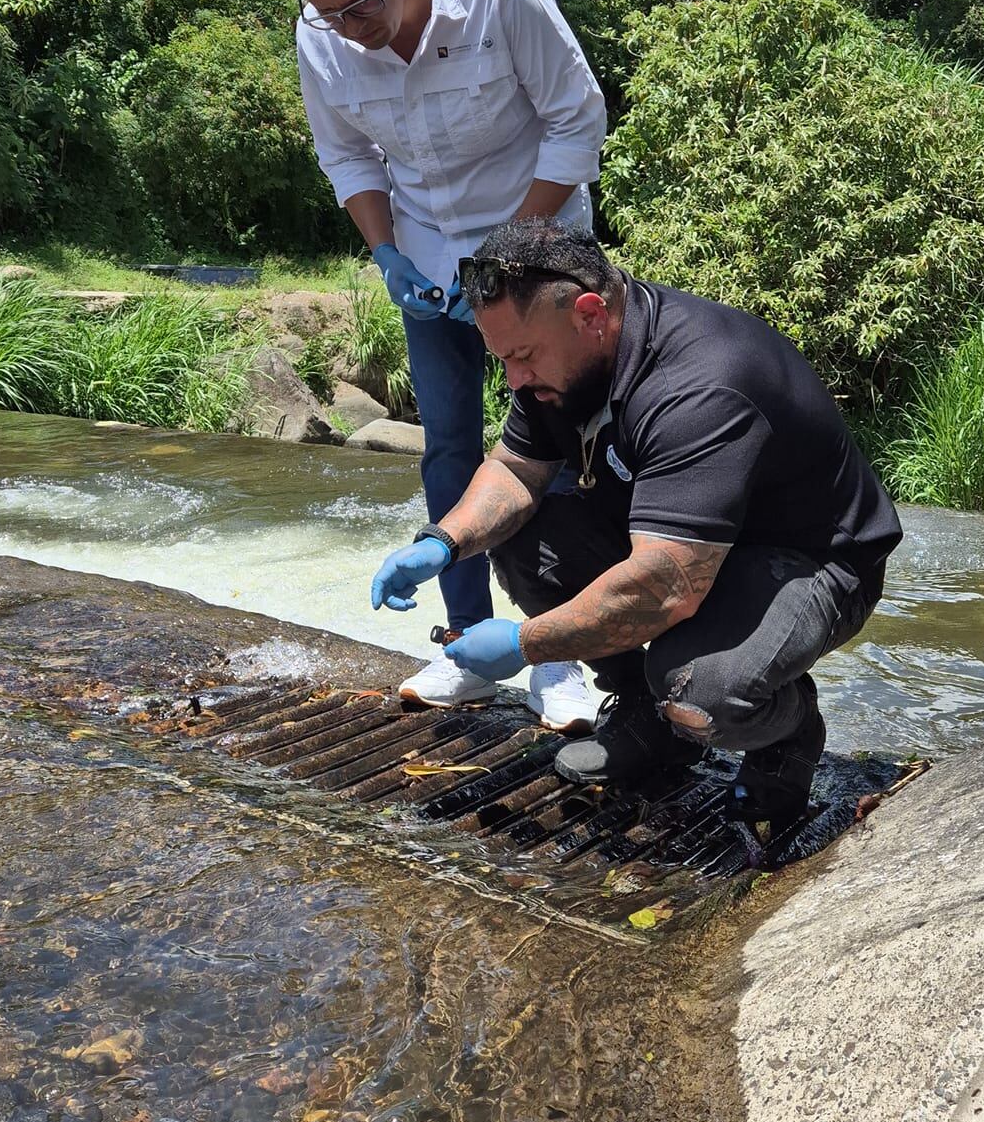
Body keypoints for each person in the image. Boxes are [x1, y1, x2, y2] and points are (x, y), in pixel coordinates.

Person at [369, 219, 903, 836]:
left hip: (812, 562)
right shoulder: (566, 354)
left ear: (592, 314)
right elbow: (517, 470)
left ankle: (786, 732)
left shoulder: (699, 384)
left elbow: (665, 586)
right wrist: (444, 540)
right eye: (502, 360)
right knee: (523, 542)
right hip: (686, 540)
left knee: (699, 687)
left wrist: (525, 644)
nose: (514, 380)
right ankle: (648, 721)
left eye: (522, 358)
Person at [268, 0, 608, 730]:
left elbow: (577, 119)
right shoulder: (322, 31)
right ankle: (466, 641)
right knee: (449, 447)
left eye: (362, 5)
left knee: (558, 449)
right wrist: (385, 254)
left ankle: (557, 653)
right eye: (330, 16)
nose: (356, 31)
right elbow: (347, 158)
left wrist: (505, 257)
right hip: (427, 266)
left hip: (538, 251)